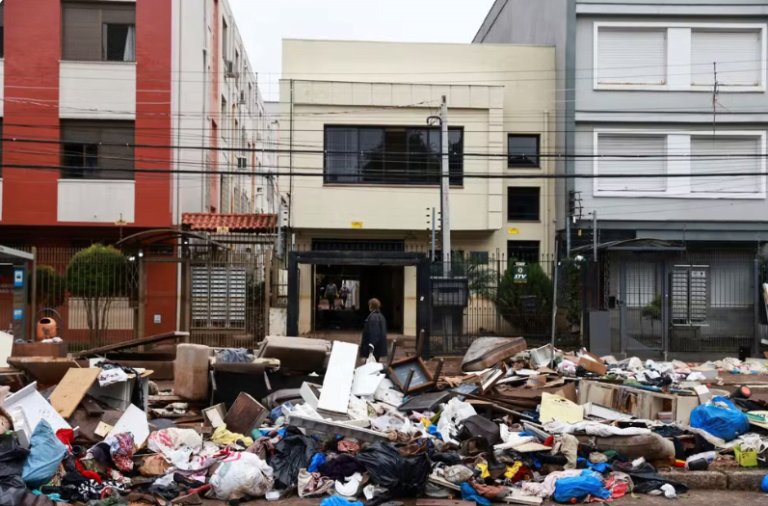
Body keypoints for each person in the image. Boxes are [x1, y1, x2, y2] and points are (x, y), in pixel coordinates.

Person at [360, 298, 387, 363]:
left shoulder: (373, 317)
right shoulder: (381, 316)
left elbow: (374, 333)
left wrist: (370, 347)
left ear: (371, 306)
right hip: (379, 348)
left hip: (374, 350)